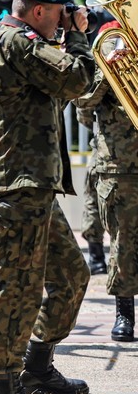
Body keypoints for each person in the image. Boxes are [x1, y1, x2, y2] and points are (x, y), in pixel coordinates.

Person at [0, 0, 94, 394]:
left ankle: (37, 368)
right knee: (15, 289)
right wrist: (80, 37)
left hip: (32, 186)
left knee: (71, 277)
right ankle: (4, 392)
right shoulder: (15, 43)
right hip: (15, 186)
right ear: (39, 10)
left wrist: (69, 35)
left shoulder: (21, 43)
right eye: (62, 12)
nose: (67, 19)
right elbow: (76, 79)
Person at [74, 24, 137, 342]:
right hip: (120, 167)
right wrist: (107, 69)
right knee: (124, 245)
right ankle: (125, 314)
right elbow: (83, 106)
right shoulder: (108, 63)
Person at [76, 106, 108, 275]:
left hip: (109, 149)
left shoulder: (108, 78)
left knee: (95, 201)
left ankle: (97, 259)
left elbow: (84, 111)